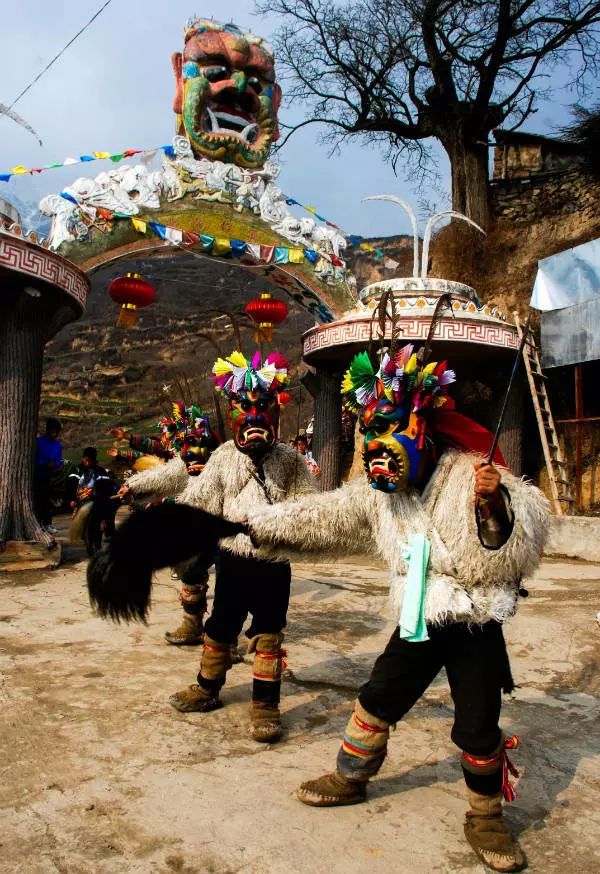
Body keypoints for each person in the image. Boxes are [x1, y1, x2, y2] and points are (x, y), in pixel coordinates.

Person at [247, 344, 549, 871]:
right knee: (379, 695)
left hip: (473, 619)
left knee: (478, 724)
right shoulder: (380, 493)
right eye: (371, 433)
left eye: (389, 428)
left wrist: (494, 505)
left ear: (422, 428)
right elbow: (327, 514)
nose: (378, 446)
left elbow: (519, 538)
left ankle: (485, 817)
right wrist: (262, 525)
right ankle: (351, 777)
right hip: (418, 613)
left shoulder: (468, 473)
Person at [161, 351, 316, 743]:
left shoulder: (292, 461)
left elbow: (308, 508)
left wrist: (281, 525)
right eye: (243, 409)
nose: (253, 418)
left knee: (268, 633)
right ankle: (207, 688)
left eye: (263, 407)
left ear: (276, 413)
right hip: (232, 559)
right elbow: (202, 500)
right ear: (232, 415)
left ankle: (265, 705)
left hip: (274, 562)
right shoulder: (222, 458)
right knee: (220, 626)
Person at [113, 404, 221, 647]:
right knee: (190, 573)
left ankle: (225, 640)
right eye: (186, 443)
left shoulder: (225, 460)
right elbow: (162, 472)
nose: (194, 450)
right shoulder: (179, 461)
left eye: (200, 443)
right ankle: (193, 625)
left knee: (229, 583)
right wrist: (134, 486)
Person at [33, 417, 63, 535]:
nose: (54, 433)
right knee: (38, 501)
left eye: (56, 431)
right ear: (48, 429)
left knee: (47, 502)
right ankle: (38, 524)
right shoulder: (38, 442)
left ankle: (47, 523)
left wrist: (54, 465)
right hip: (37, 476)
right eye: (52, 430)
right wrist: (45, 464)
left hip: (50, 477)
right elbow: (34, 460)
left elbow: (58, 463)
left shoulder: (57, 445)